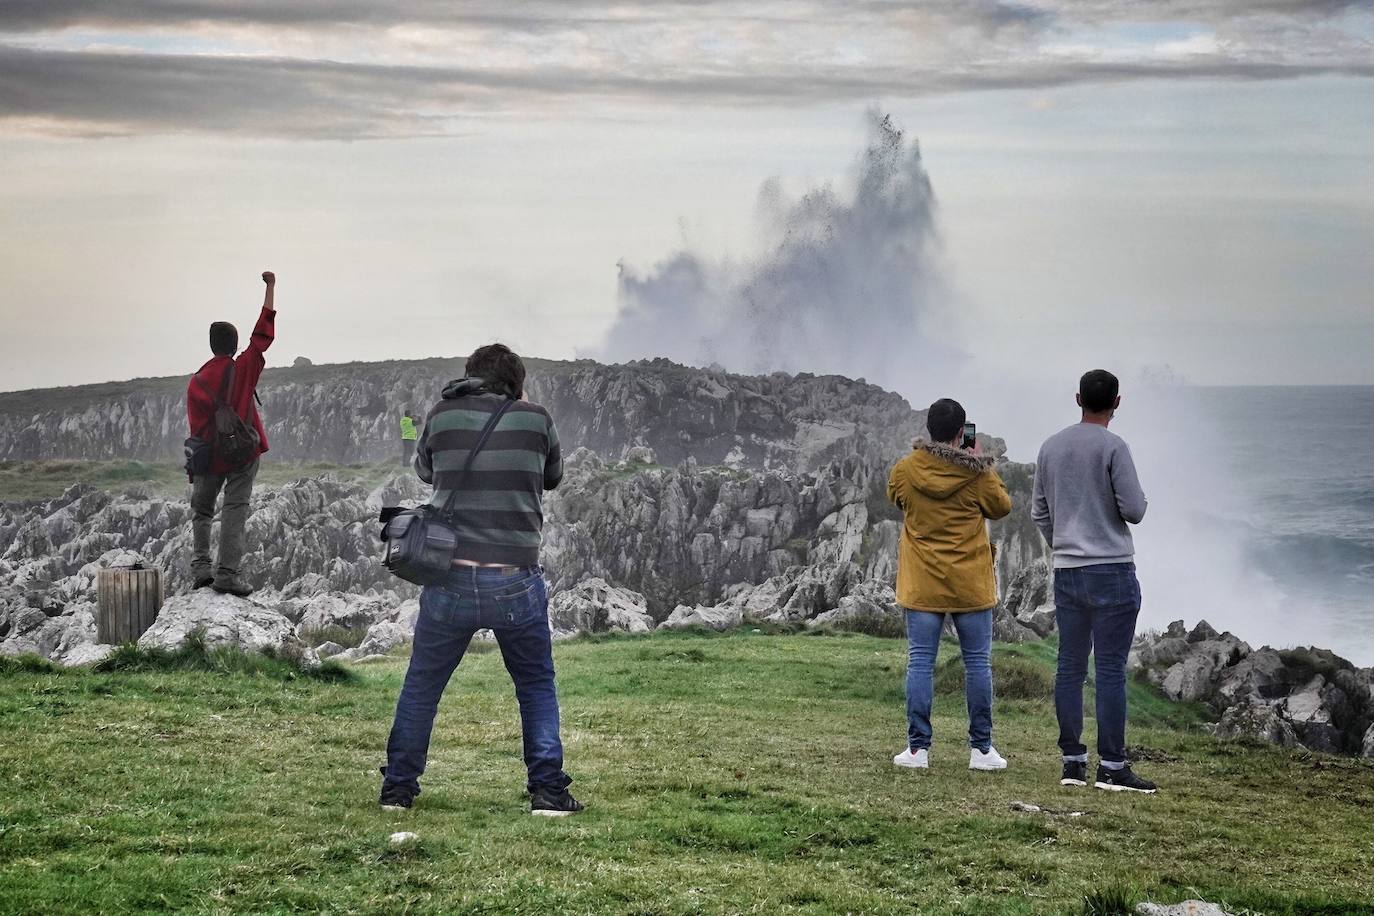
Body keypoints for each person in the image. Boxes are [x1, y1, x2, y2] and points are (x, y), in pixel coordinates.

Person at [379, 343, 581, 816]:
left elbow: (426, 471)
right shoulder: (537, 418)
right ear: (516, 381)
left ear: (470, 376)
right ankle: (548, 792)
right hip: (515, 577)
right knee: (534, 686)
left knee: (422, 686)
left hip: (449, 576)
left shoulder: (441, 415)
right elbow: (552, 477)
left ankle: (397, 791)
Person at [1032, 369, 1155, 793]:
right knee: (1109, 670)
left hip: (1068, 572)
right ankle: (1113, 767)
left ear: (1077, 398)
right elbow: (1134, 509)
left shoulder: (1050, 447)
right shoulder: (1114, 447)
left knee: (1069, 666)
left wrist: (1063, 545)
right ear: (1117, 402)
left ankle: (1072, 763)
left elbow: (1039, 512)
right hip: (1112, 571)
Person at [887, 398, 1013, 772]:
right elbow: (1001, 506)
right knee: (977, 664)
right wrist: (980, 462)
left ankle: (917, 750)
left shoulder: (906, 470)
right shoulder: (977, 474)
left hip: (923, 582)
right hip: (970, 584)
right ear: (962, 433)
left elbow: (896, 498)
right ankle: (981, 750)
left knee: (921, 663)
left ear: (928, 430)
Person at [186, 271, 276, 597]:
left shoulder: (197, 380)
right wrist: (270, 287)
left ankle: (200, 570)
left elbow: (196, 427)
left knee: (203, 511)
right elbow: (263, 334)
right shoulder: (243, 367)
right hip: (242, 453)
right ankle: (227, 575)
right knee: (235, 509)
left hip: (208, 456)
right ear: (234, 345)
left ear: (211, 346)